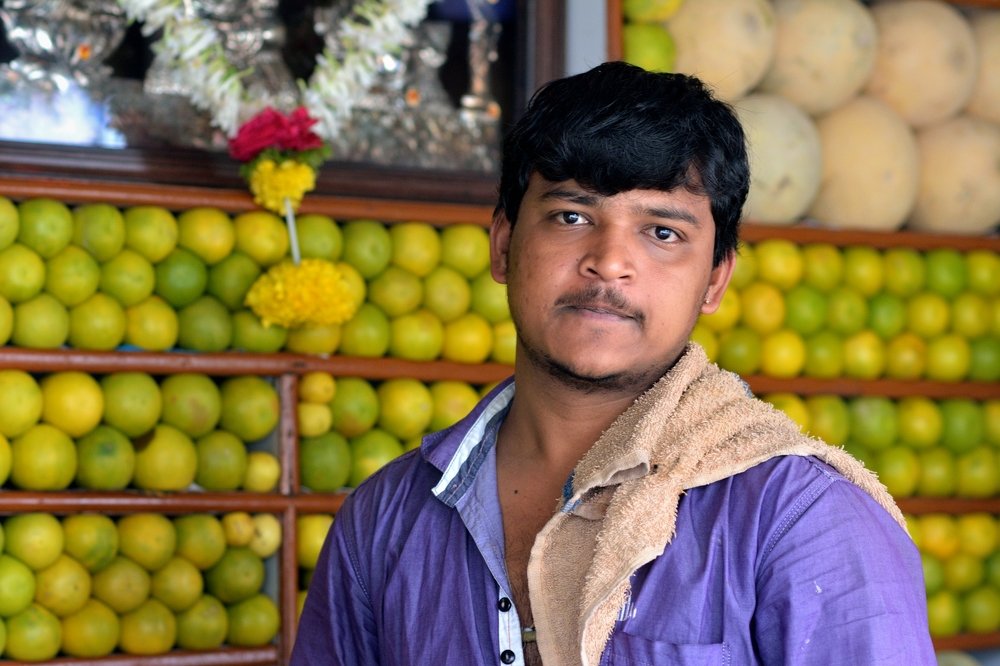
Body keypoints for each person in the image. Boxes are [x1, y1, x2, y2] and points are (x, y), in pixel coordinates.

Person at [291, 61, 934, 665]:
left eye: (662, 232)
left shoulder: (802, 519)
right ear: (505, 244)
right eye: (572, 215)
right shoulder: (385, 521)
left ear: (715, 280)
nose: (609, 261)